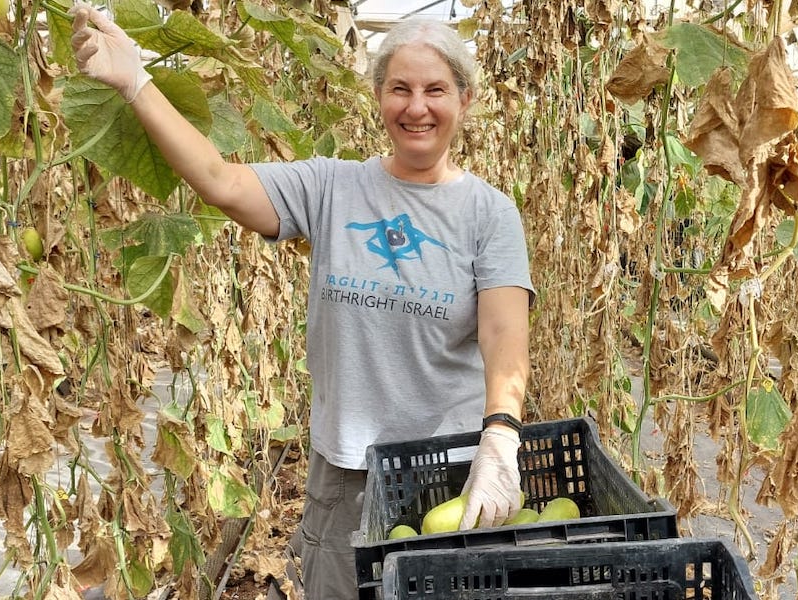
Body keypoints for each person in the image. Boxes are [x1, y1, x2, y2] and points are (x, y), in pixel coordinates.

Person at [70, 5, 533, 598]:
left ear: (463, 101)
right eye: (400, 89)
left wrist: (500, 435)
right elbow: (218, 179)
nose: (417, 107)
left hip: (451, 471)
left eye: (435, 90)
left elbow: (503, 335)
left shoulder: (488, 213)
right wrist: (138, 82)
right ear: (379, 97)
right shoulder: (331, 186)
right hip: (347, 472)